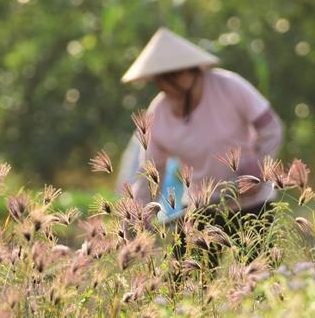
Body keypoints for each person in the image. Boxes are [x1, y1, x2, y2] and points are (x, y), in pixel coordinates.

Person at [122, 27, 284, 234]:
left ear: (191, 70)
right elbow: (151, 172)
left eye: (172, 75)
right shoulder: (158, 112)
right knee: (186, 266)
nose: (165, 84)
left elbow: (271, 128)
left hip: (252, 204)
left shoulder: (229, 87)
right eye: (160, 78)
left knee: (257, 266)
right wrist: (138, 218)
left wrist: (257, 170)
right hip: (201, 206)